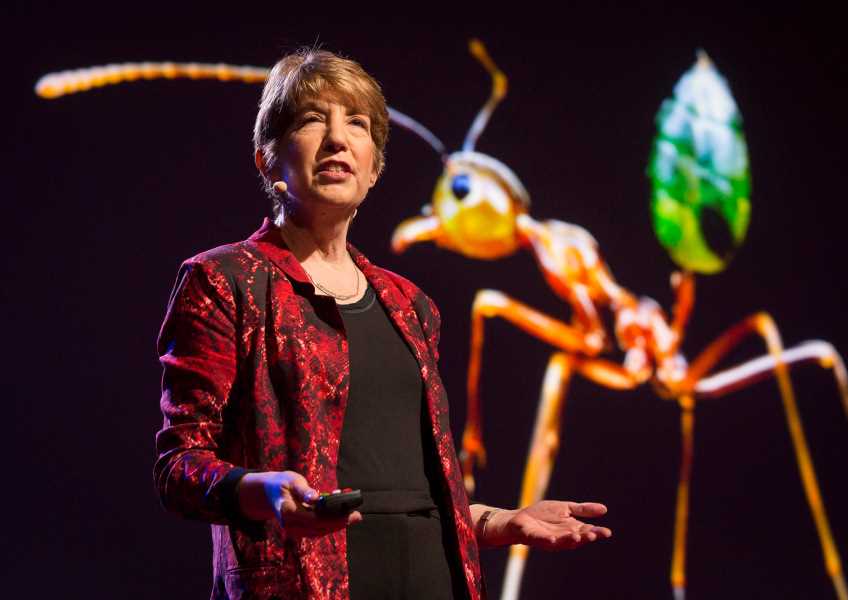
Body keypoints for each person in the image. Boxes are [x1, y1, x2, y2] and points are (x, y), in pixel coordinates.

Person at [154, 47, 612, 600]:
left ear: (374, 169)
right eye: (311, 120)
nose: (337, 138)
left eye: (357, 124)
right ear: (267, 160)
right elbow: (180, 465)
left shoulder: (410, 304)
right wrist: (263, 493)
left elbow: (412, 487)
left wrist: (499, 521)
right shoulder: (225, 280)